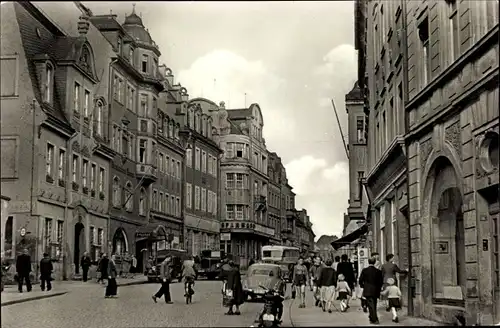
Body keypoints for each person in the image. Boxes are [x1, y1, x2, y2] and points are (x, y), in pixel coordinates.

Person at [359, 257, 384, 325]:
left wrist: (363, 286)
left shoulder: (365, 270)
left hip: (367, 289)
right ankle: (372, 317)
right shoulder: (378, 271)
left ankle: (374, 319)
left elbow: (360, 280)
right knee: (374, 304)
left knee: (371, 304)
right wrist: (379, 288)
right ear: (375, 262)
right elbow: (381, 282)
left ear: (368, 262)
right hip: (375, 290)